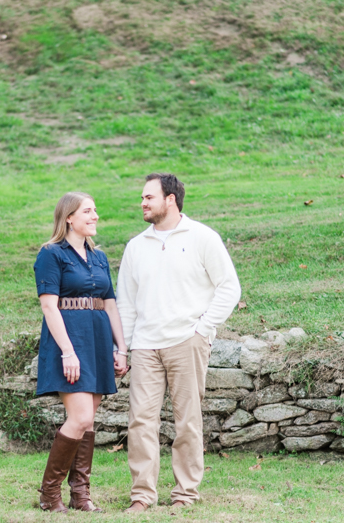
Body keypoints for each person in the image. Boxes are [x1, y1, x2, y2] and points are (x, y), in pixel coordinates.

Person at [117, 173, 241, 512]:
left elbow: (229, 288)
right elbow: (126, 302)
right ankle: (142, 496)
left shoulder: (202, 237)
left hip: (187, 342)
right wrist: (123, 347)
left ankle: (185, 494)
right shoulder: (135, 246)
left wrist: (203, 329)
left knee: (187, 420)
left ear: (170, 199)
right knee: (141, 421)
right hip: (145, 346)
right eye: (142, 198)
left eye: (148, 197)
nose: (142, 203)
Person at [33, 191, 130, 513]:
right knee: (81, 417)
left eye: (96, 210)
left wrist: (122, 348)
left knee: (88, 423)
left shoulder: (99, 257)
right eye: (88, 211)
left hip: (99, 339)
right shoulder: (51, 254)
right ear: (69, 217)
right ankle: (49, 495)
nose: (95, 216)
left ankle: (80, 495)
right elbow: (49, 306)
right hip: (69, 341)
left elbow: (111, 305)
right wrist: (67, 352)